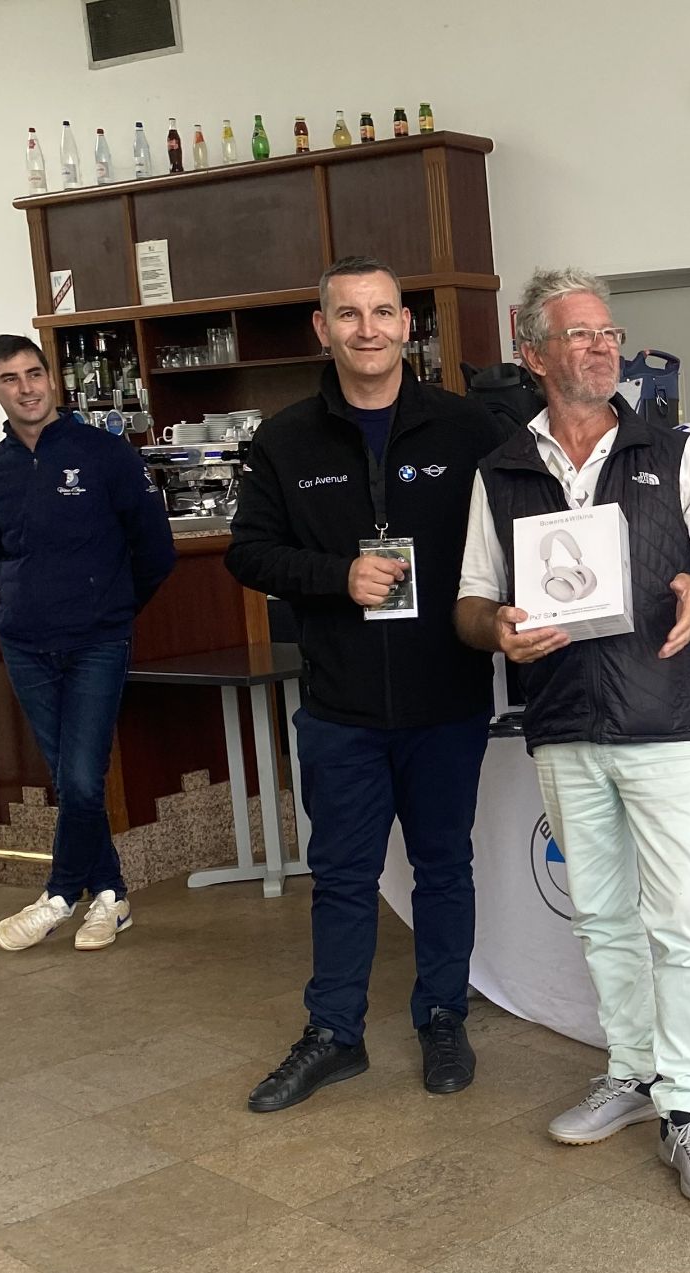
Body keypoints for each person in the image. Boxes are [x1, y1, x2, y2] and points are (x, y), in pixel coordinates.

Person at [455, 267, 690, 1203]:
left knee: (680, 918)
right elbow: (470, 600)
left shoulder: (673, 451)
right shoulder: (502, 469)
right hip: (562, 724)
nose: (601, 347)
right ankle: (631, 1072)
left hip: (663, 721)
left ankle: (688, 1107)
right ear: (532, 351)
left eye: (608, 332)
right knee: (600, 917)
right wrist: (496, 628)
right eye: (579, 334)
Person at [225, 256, 514, 1112]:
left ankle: (442, 1015)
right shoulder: (285, 439)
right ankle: (334, 1034)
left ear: (405, 325)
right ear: (323, 328)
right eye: (348, 314)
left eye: (383, 312)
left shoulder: (466, 429)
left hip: (446, 697)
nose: (368, 329)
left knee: (443, 867)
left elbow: (513, 534)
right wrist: (334, 575)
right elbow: (248, 552)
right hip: (340, 705)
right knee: (342, 876)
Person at [0, 334, 175, 951]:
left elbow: (155, 550)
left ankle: (58, 895)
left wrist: (110, 608)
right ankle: (110, 895)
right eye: (10, 379)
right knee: (70, 779)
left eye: (34, 373)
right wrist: (25, 602)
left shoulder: (106, 454)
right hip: (26, 645)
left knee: (82, 778)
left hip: (97, 642)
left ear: (52, 378)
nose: (26, 388)